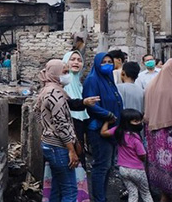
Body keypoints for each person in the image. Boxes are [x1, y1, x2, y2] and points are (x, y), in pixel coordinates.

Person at [36, 59, 79, 202]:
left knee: (57, 188)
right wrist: (71, 150)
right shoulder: (56, 93)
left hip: (49, 143)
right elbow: (62, 124)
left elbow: (40, 116)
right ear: (55, 73)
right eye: (65, 72)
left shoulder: (46, 89)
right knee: (70, 191)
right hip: (58, 146)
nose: (67, 75)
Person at [83, 52, 123, 202]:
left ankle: (102, 197)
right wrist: (108, 114)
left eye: (110, 62)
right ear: (97, 64)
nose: (107, 64)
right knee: (101, 165)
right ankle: (99, 198)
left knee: (109, 166)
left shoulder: (109, 79)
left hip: (111, 128)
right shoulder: (92, 80)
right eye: (104, 62)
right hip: (98, 129)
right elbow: (92, 105)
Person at [101, 109, 153, 202]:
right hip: (137, 170)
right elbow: (142, 155)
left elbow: (103, 133)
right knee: (145, 193)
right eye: (136, 121)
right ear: (128, 122)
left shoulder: (118, 130)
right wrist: (143, 160)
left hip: (123, 169)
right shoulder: (135, 139)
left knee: (132, 193)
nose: (139, 123)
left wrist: (107, 122)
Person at [144, 59, 172, 202]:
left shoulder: (152, 84)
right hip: (168, 137)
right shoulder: (168, 87)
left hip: (154, 138)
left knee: (165, 192)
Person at [62, 51, 91, 169]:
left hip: (80, 121)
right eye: (72, 59)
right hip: (68, 124)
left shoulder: (78, 83)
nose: (76, 62)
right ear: (65, 62)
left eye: (79, 60)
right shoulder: (62, 81)